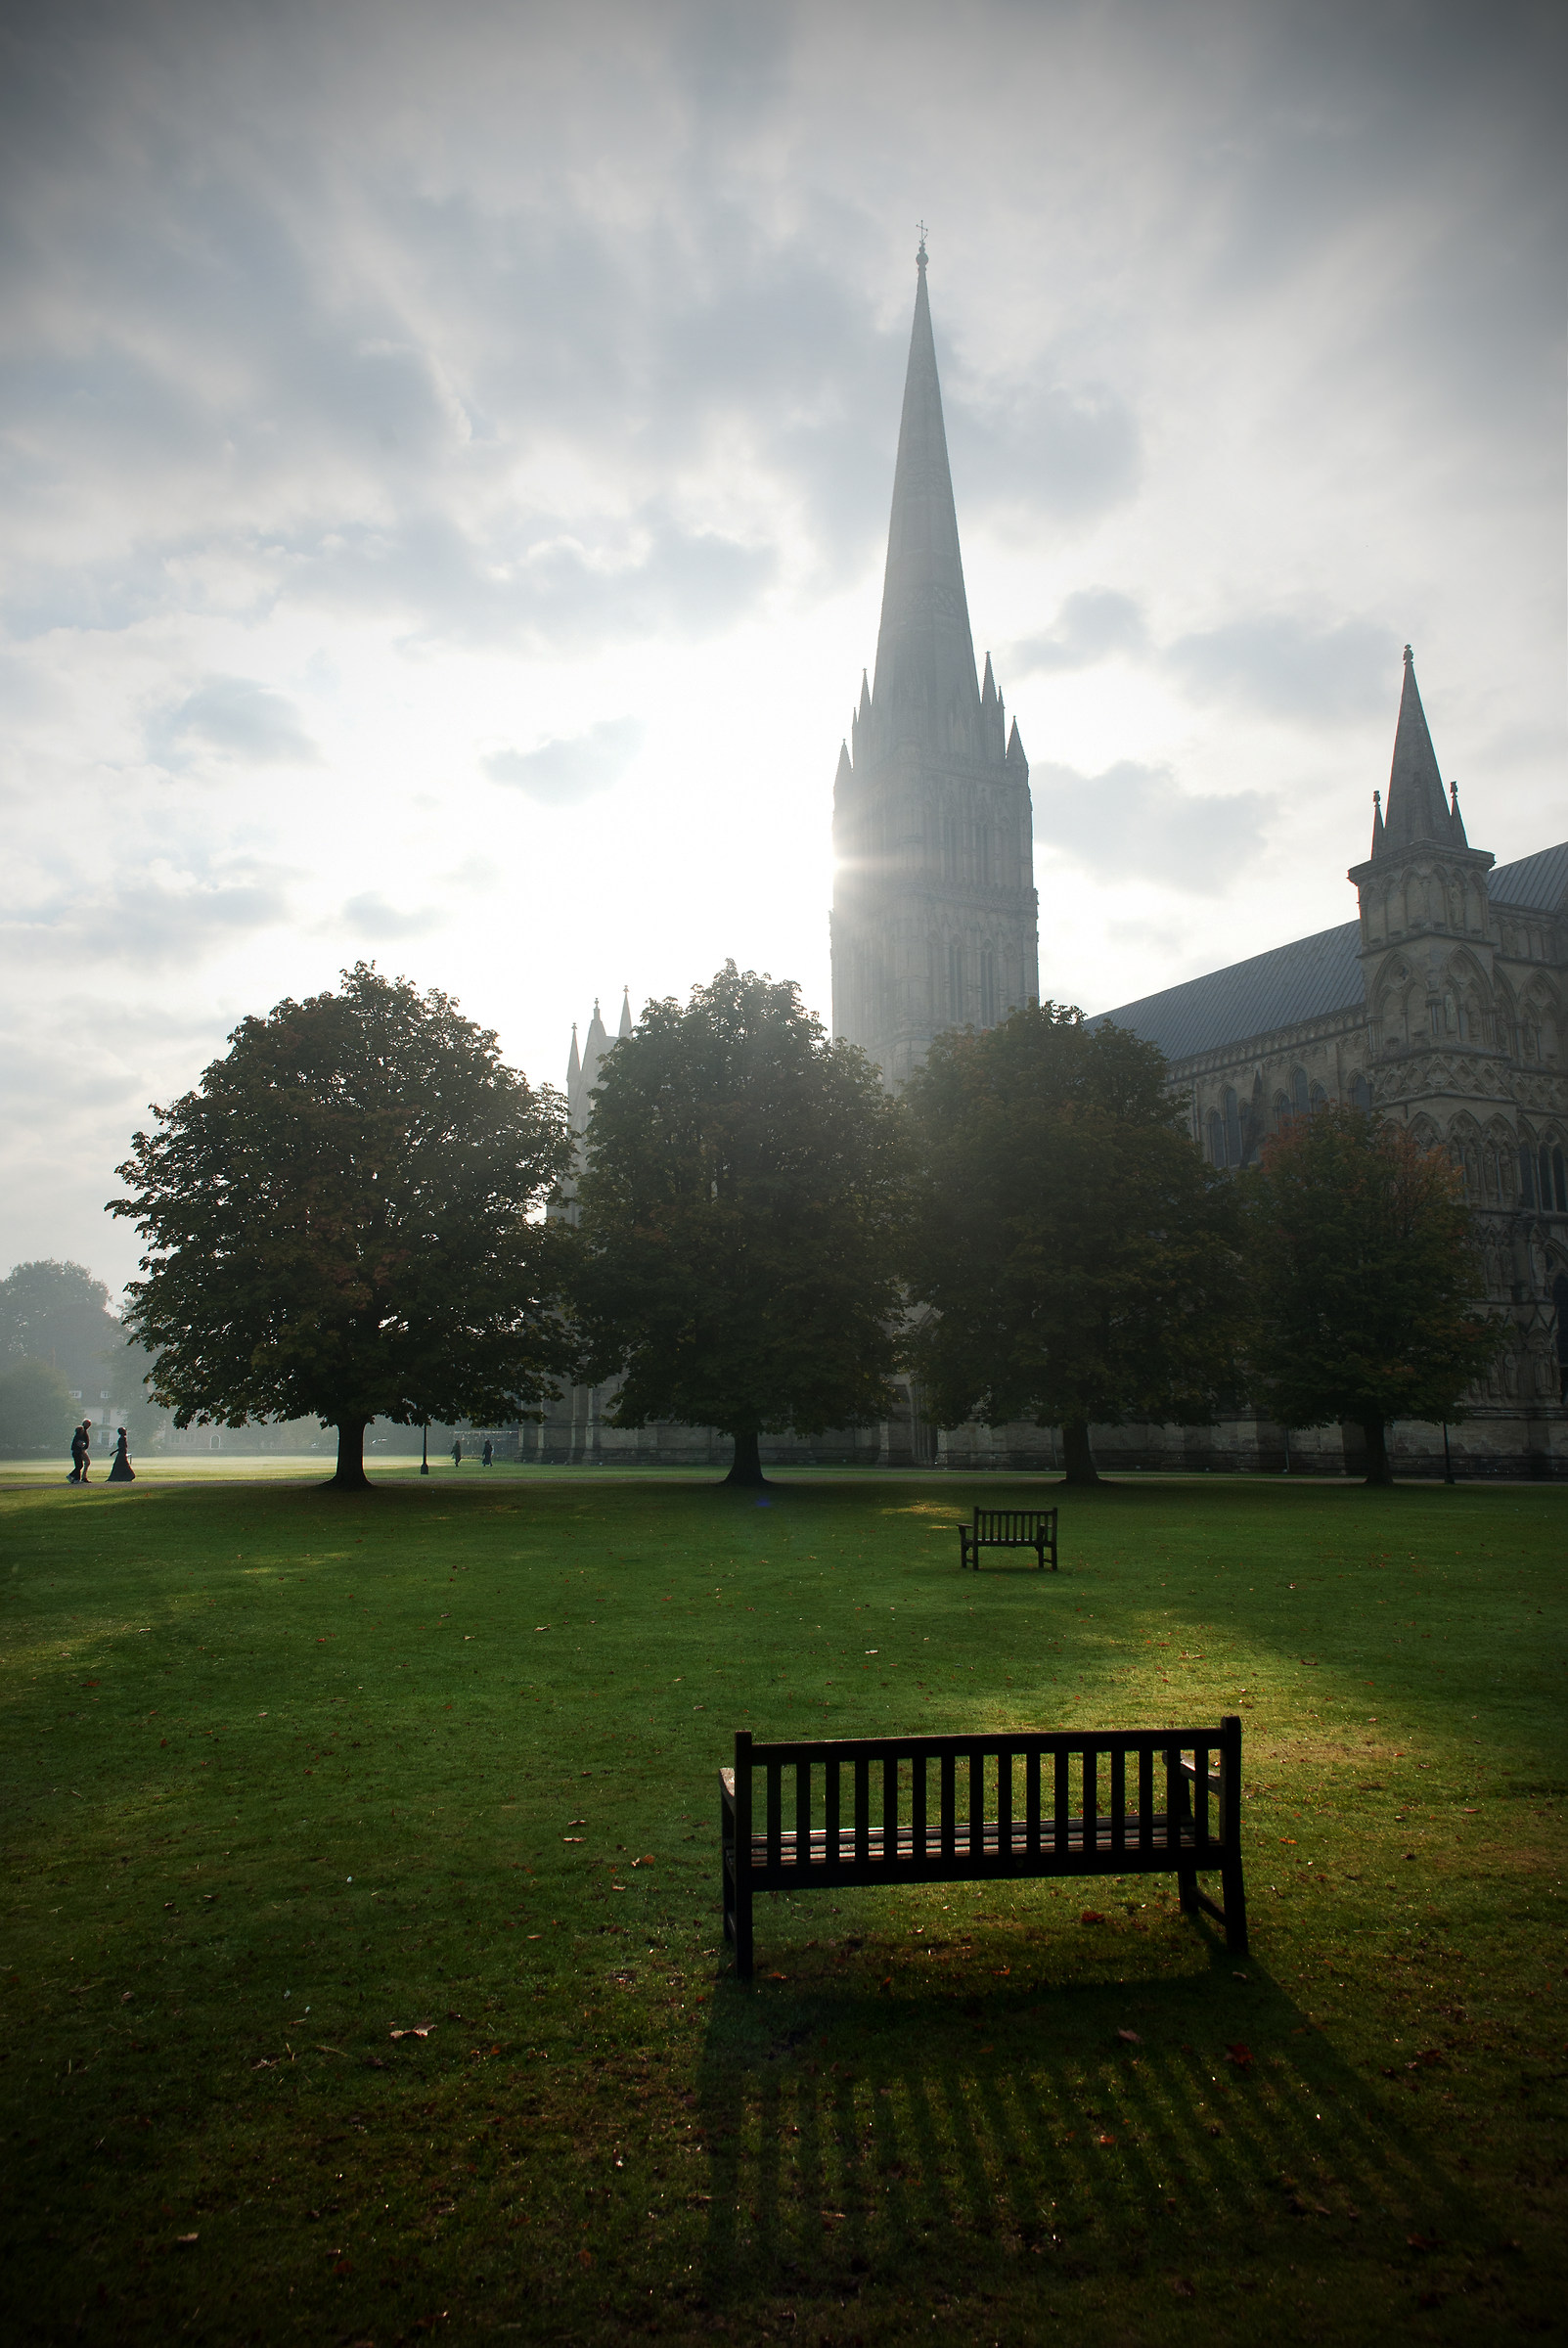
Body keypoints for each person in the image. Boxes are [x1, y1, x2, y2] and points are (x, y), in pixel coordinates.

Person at [68, 1420, 91, 1484]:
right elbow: (80, 1443)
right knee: (81, 1464)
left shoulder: (82, 1432)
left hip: (79, 1451)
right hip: (80, 1451)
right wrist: (83, 1447)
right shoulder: (81, 1433)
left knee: (80, 1465)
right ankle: (77, 1477)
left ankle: (76, 1477)